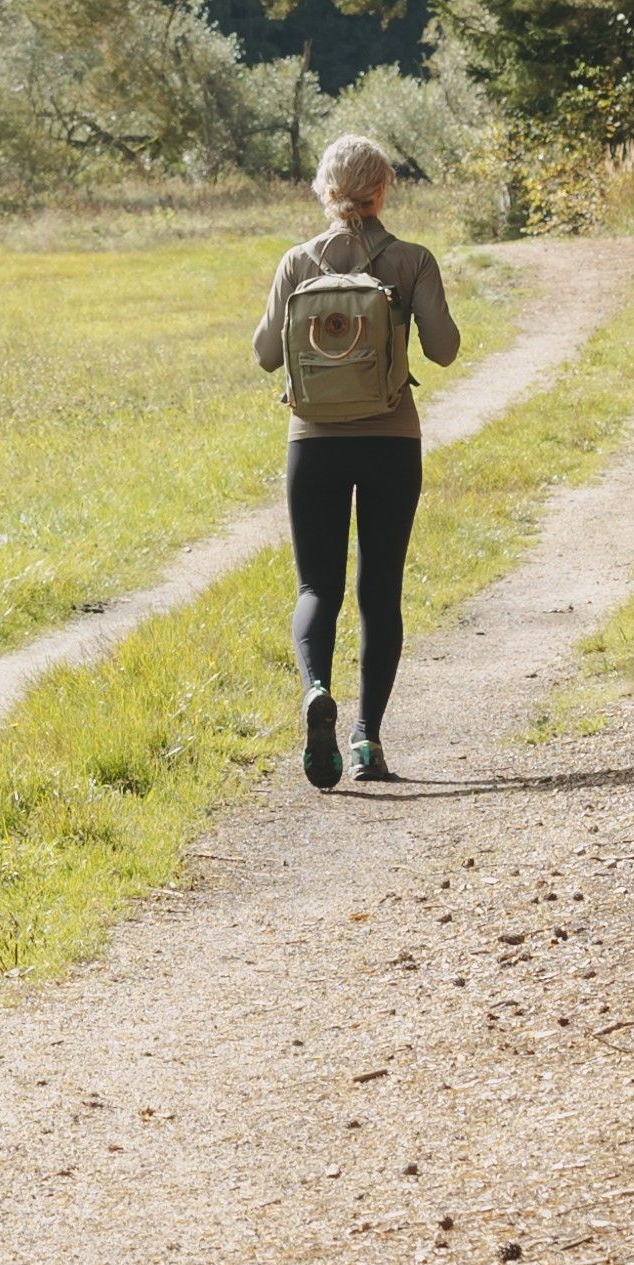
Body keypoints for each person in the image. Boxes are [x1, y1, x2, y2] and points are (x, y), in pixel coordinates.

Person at [252, 133, 460, 788]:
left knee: (317, 587)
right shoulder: (411, 259)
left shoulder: (297, 261)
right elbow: (445, 350)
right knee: (380, 590)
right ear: (382, 189)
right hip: (391, 438)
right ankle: (367, 739)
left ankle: (317, 687)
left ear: (325, 189)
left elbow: (265, 354)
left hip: (313, 440)